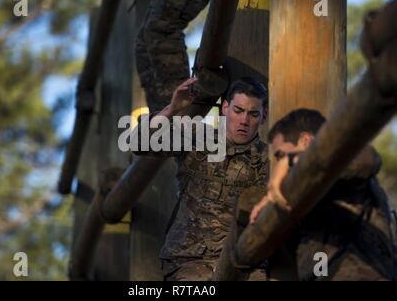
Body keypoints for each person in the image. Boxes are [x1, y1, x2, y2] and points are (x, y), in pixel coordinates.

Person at [133, 77, 269, 281]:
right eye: (238, 111)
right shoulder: (197, 136)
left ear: (263, 117)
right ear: (225, 108)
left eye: (253, 114)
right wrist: (172, 108)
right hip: (190, 261)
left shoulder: (272, 159)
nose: (244, 121)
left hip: (247, 263)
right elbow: (138, 143)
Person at [251, 108, 396, 281]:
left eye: (281, 155)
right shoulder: (306, 197)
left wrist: (292, 161)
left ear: (306, 141)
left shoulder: (348, 168)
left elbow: (369, 158)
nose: (278, 166)